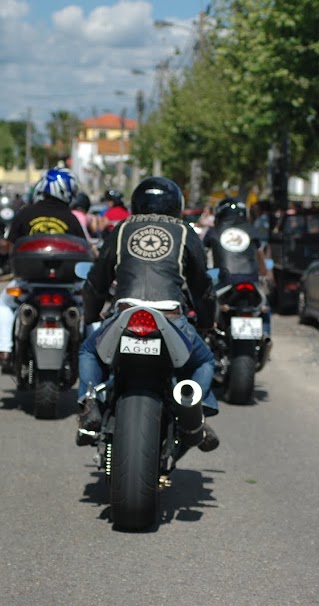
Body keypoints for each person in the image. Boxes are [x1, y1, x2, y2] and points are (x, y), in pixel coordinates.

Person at [76, 176, 219, 452]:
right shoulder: (185, 231)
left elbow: (96, 282)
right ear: (177, 204)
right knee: (205, 362)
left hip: (125, 313)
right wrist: (206, 323)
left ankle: (90, 402)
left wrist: (92, 315)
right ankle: (195, 411)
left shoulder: (122, 229)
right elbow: (202, 287)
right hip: (172, 316)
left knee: (88, 352)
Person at [0, 168, 87, 366]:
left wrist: (2, 253)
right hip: (66, 284)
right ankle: (90, 354)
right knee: (90, 309)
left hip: (29, 282)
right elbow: (85, 251)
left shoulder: (25, 214)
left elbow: (8, 246)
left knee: (4, 303)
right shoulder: (71, 218)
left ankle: (4, 349)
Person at [203, 196, 273, 339]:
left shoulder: (213, 231)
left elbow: (201, 255)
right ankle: (266, 334)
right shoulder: (251, 230)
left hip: (225, 280)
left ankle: (210, 329)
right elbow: (260, 255)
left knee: (208, 303)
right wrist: (264, 273)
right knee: (264, 308)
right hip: (251, 280)